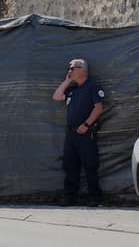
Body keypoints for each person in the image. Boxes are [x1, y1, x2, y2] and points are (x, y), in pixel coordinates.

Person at [52, 58, 104, 207]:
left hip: (85, 133)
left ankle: (95, 197)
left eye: (72, 68)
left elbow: (99, 107)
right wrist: (67, 81)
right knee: (70, 165)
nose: (69, 71)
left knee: (90, 165)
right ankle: (70, 196)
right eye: (69, 68)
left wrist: (87, 124)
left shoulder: (92, 86)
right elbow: (56, 96)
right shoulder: (72, 89)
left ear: (83, 70)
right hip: (71, 134)